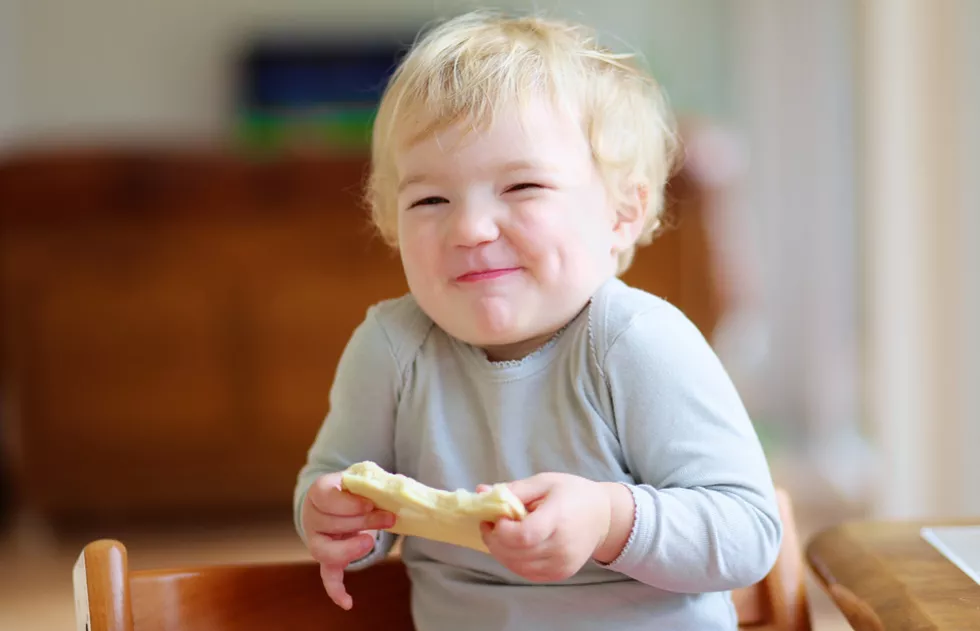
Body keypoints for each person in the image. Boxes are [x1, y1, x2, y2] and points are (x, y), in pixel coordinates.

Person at [294, 11, 781, 631]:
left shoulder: (637, 344)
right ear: (391, 223)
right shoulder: (391, 350)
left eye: (522, 186)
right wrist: (332, 521)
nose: (469, 229)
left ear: (621, 214)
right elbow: (335, 491)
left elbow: (748, 532)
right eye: (430, 199)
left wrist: (608, 519)